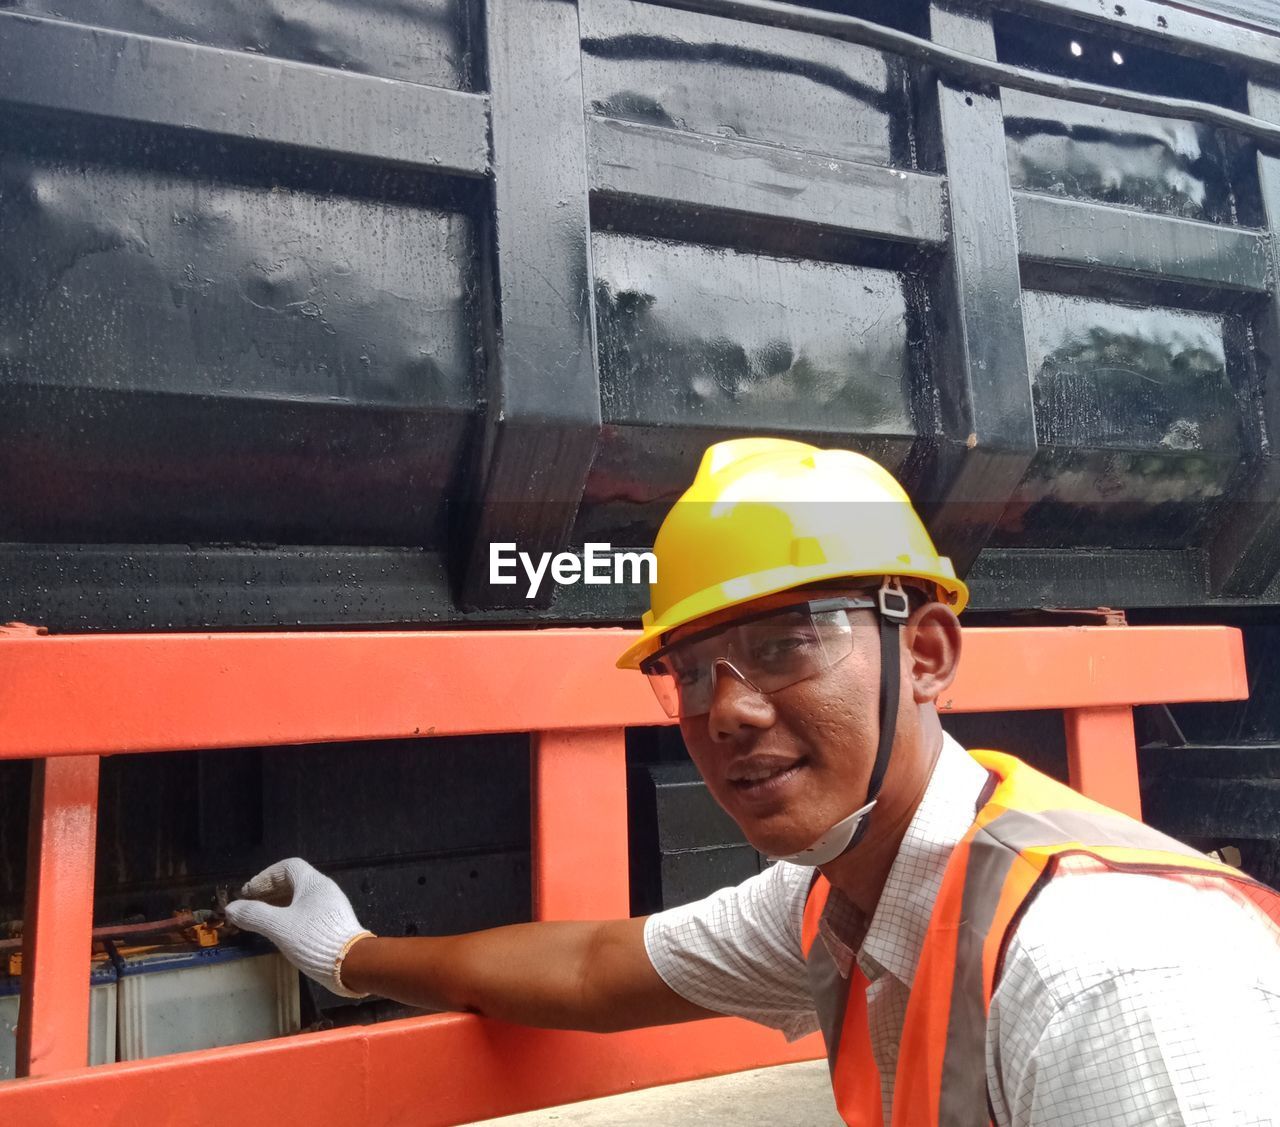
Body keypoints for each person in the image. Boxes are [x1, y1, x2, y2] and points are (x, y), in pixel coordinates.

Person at [227, 438, 1280, 1125]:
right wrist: (347, 952)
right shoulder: (839, 895)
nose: (722, 708)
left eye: (786, 642)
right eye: (687, 671)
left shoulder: (1104, 979)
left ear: (925, 653)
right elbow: (595, 963)